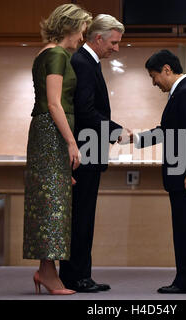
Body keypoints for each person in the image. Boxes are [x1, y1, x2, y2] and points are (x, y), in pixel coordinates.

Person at [23, 4, 92, 295]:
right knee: (52, 206)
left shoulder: (47, 53)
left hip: (47, 133)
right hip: (52, 134)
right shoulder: (56, 54)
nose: (82, 38)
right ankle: (48, 274)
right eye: (82, 31)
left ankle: (47, 271)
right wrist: (71, 142)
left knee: (50, 204)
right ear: (69, 27)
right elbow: (54, 103)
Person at [134, 49, 186, 293]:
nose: (154, 82)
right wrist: (135, 139)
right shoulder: (180, 92)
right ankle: (185, 279)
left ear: (167, 69)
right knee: (183, 228)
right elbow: (167, 130)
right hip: (182, 173)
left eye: (154, 76)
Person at [59, 14, 131, 292]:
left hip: (89, 152)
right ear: (98, 38)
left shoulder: (89, 62)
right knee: (80, 218)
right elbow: (86, 111)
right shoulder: (83, 63)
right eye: (113, 42)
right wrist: (117, 131)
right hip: (85, 153)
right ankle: (76, 277)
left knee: (84, 217)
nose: (116, 48)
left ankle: (80, 275)